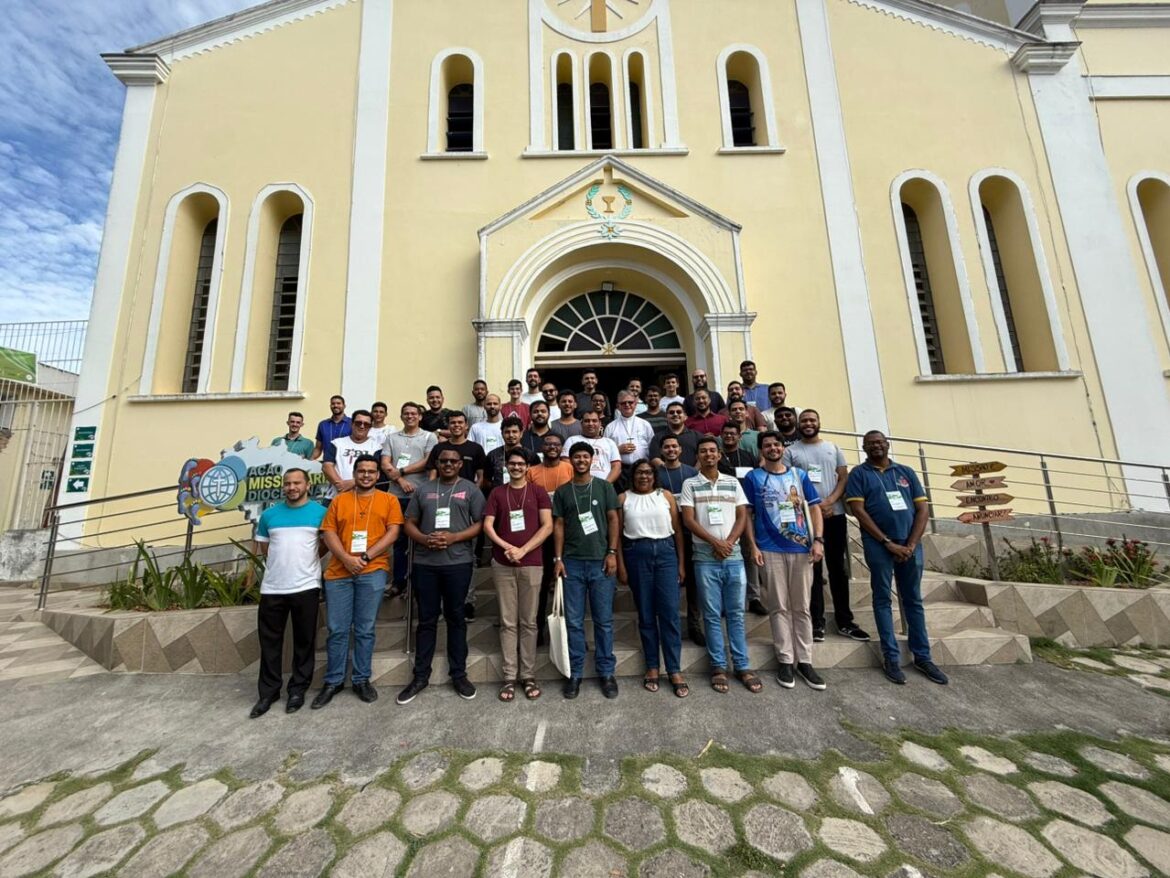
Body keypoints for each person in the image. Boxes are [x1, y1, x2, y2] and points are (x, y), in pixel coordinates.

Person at [845, 430, 949, 686]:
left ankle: (922, 656)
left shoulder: (906, 472)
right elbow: (858, 510)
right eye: (871, 444)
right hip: (879, 545)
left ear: (887, 444)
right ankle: (891, 656)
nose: (876, 446)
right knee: (882, 598)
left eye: (880, 442)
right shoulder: (859, 474)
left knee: (913, 599)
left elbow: (922, 509)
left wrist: (911, 543)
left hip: (910, 545)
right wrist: (887, 543)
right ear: (864, 447)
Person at [313, 455, 403, 708]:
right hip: (338, 574)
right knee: (337, 629)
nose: (366, 475)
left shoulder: (389, 500)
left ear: (378, 475)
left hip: (372, 570)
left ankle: (361, 679)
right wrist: (345, 558)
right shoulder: (339, 501)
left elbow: (393, 532)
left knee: (365, 629)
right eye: (361, 471)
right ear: (354, 473)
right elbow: (328, 532)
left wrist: (364, 557)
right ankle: (333, 680)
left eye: (371, 472)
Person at [396, 449, 486, 704]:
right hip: (425, 563)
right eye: (443, 461)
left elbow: (481, 523)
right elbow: (409, 522)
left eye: (453, 461)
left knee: (456, 618)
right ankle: (420, 676)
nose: (448, 464)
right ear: (437, 463)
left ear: (460, 464)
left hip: (458, 562)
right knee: (426, 620)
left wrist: (454, 538)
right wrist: (424, 539)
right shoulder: (424, 489)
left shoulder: (470, 489)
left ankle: (459, 674)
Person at [679, 437, 763, 694]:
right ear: (699, 456)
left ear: (718, 455)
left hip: (733, 556)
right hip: (704, 558)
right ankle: (718, 665)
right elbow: (688, 520)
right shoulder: (690, 483)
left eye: (712, 451)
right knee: (712, 615)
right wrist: (715, 542)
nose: (708, 455)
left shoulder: (733, 482)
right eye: (703, 451)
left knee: (736, 613)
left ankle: (742, 665)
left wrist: (728, 542)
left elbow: (742, 515)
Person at [745, 432, 827, 691]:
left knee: (801, 606)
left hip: (801, 548)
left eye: (776, 444)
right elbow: (747, 514)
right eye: (767, 445)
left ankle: (805, 660)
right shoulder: (752, 478)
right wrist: (752, 545)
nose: (772, 448)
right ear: (761, 450)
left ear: (783, 448)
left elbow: (814, 507)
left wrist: (818, 540)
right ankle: (785, 659)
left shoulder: (798, 476)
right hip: (769, 548)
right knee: (779, 605)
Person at [783, 411, 869, 642]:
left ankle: (845, 621)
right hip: (806, 519)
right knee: (812, 570)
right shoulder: (791, 452)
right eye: (804, 421)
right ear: (798, 425)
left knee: (838, 569)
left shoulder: (833, 448)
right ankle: (816, 622)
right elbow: (788, 484)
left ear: (819, 423)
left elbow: (843, 478)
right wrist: (812, 508)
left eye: (812, 420)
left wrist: (830, 501)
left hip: (835, 514)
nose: (808, 424)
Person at [250, 468, 327, 718]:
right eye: (287, 483)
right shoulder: (269, 515)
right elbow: (264, 547)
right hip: (273, 587)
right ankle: (268, 693)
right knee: (270, 643)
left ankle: (298, 689)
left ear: (307, 485)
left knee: (304, 642)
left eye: (297, 483)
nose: (292, 487)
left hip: (306, 586)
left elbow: (325, 544)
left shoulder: (320, 513)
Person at [553, 442, 621, 699]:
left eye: (585, 456)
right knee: (573, 621)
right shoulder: (562, 492)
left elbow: (614, 519)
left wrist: (612, 552)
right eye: (576, 457)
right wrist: (557, 558)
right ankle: (576, 672)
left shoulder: (604, 487)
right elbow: (558, 525)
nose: (581, 460)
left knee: (603, 621)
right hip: (571, 563)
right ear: (570, 460)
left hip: (600, 562)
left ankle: (606, 672)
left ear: (592, 460)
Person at [484, 448, 553, 702]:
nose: (515, 467)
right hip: (503, 563)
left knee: (529, 621)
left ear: (527, 467)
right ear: (507, 467)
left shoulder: (538, 492)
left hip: (533, 562)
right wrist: (507, 548)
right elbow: (488, 525)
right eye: (511, 464)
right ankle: (509, 677)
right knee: (508, 621)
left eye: (520, 464)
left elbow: (547, 526)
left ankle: (528, 675)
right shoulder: (497, 493)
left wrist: (523, 549)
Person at [617, 460, 688, 697]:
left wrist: (680, 563)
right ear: (633, 475)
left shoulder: (665, 495)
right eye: (639, 472)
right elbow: (616, 535)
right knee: (646, 614)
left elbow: (678, 531)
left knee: (669, 614)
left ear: (654, 475)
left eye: (648, 472)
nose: (644, 476)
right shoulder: (623, 498)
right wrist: (621, 566)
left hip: (666, 553)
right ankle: (653, 666)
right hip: (637, 554)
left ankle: (674, 669)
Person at [381, 402, 438, 591]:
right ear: (401, 416)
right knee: (398, 540)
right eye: (406, 413)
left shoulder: (429, 437)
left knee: (422, 538)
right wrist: (401, 481)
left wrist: (402, 470)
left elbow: (428, 461)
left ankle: (420, 581)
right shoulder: (391, 437)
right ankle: (399, 581)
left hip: (420, 495)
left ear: (420, 416)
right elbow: (385, 464)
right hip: (396, 496)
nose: (410, 416)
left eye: (414, 413)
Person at [656, 436, 703, 647]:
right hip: (664, 533)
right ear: (661, 451)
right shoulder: (655, 475)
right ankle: (664, 624)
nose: (671, 449)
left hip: (689, 532)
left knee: (693, 582)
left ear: (681, 449)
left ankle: (694, 625)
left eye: (674, 446)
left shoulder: (692, 473)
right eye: (667, 446)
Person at [527, 432, 574, 644]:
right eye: (548, 444)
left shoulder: (569, 468)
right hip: (541, 534)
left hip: (568, 532)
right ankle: (538, 631)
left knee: (569, 584)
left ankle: (569, 634)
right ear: (541, 447)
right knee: (542, 584)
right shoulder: (532, 471)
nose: (552, 447)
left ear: (562, 448)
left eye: (556, 444)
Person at [717, 421, 765, 616]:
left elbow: (756, 480)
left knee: (749, 552)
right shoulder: (716, 457)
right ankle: (724, 599)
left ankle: (754, 597)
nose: (729, 436)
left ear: (739, 437)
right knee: (724, 551)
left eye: (732, 434)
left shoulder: (749, 457)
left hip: (747, 511)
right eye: (725, 433)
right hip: (722, 511)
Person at [323, 409, 381, 499]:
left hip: (363, 497)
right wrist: (340, 485)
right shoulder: (337, 443)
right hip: (335, 496)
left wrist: (353, 482)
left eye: (366, 424)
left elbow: (375, 472)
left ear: (370, 427)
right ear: (352, 424)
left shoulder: (376, 447)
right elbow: (327, 466)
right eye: (358, 423)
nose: (362, 426)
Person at [605, 390, 655, 484]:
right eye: (623, 403)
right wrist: (617, 449)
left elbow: (652, 447)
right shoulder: (610, 427)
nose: (627, 405)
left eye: (630, 402)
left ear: (635, 404)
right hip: (621, 471)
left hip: (643, 470)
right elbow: (605, 452)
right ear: (618, 406)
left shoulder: (645, 424)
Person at [425, 412, 486, 484]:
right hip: (442, 492)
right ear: (448, 426)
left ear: (466, 426)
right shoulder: (438, 448)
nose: (456, 425)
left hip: (467, 492)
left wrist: (474, 492)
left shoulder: (476, 448)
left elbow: (481, 477)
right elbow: (432, 475)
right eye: (453, 423)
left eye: (460, 422)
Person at [567, 411, 621, 483]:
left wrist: (605, 485)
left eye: (594, 421)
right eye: (587, 421)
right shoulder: (572, 440)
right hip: (578, 485)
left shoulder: (610, 442)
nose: (590, 424)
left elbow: (616, 467)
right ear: (581, 423)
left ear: (600, 423)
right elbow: (566, 464)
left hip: (604, 487)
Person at [487, 417, 538, 488]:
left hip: (525, 495)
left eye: (514, 432)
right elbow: (487, 481)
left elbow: (536, 479)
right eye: (507, 432)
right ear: (502, 434)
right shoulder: (492, 455)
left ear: (521, 433)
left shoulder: (531, 456)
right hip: (500, 496)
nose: (511, 435)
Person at [649, 402, 700, 467]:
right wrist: (670, 472)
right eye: (671, 412)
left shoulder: (697, 436)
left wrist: (692, 473)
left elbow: (701, 458)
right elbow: (654, 458)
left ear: (685, 417)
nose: (675, 414)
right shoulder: (657, 437)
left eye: (679, 412)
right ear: (666, 417)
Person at [313, 395, 351, 459]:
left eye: (338, 403)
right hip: (327, 462)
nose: (335, 405)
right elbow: (318, 449)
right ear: (330, 406)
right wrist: (308, 461)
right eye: (333, 404)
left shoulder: (352, 423)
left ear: (344, 406)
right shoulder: (323, 424)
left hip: (345, 463)